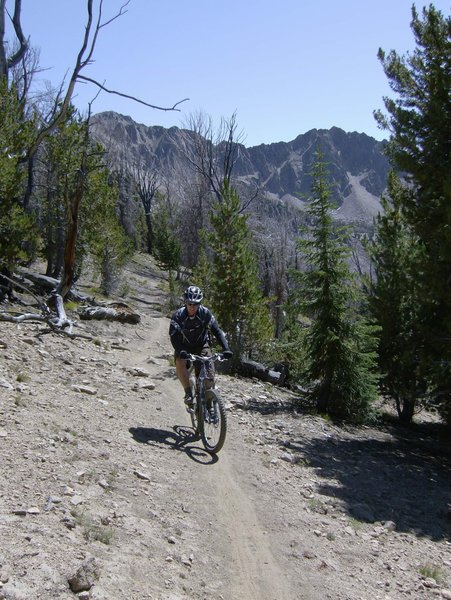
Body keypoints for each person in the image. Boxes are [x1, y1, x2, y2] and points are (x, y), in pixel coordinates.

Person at [169, 285, 232, 408]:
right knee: (180, 362)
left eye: (195, 304)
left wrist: (226, 349)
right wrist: (180, 350)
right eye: (190, 304)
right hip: (184, 347)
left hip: (201, 345)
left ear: (200, 303)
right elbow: (173, 336)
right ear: (185, 302)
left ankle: (208, 403)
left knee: (209, 375)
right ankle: (188, 392)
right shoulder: (178, 315)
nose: (192, 307)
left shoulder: (205, 313)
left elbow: (217, 331)